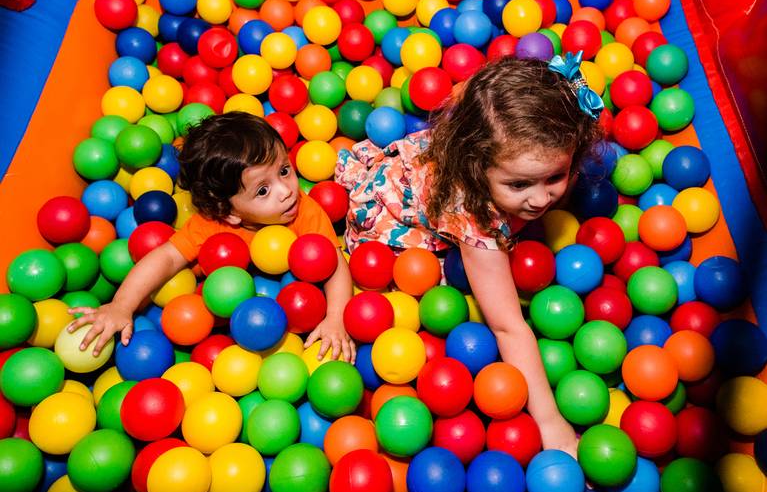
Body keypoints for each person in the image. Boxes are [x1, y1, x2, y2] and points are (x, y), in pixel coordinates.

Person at [335, 53, 604, 456]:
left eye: (555, 177)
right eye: (519, 185)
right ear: (476, 165)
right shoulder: (475, 215)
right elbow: (508, 327)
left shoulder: (534, 147)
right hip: (393, 222)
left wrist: (533, 186)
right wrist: (551, 424)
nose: (540, 199)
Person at [68, 112, 356, 363]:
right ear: (229, 212)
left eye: (284, 170)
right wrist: (122, 305)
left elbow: (333, 264)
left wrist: (336, 318)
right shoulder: (210, 224)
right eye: (263, 190)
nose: (287, 190)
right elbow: (166, 258)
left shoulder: (304, 210)